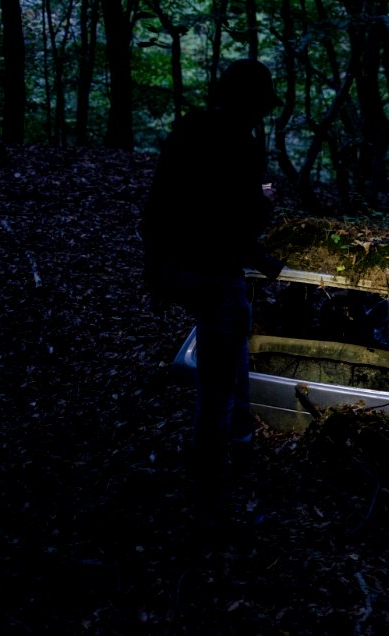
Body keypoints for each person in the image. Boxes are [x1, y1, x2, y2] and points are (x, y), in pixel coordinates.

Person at [140, 58, 285, 516]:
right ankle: (209, 490)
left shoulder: (188, 130)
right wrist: (263, 204)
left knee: (230, 356)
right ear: (250, 105)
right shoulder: (242, 147)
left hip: (178, 269)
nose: (261, 116)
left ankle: (240, 452)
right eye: (260, 107)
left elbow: (160, 205)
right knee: (218, 385)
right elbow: (236, 223)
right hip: (213, 274)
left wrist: (158, 271)